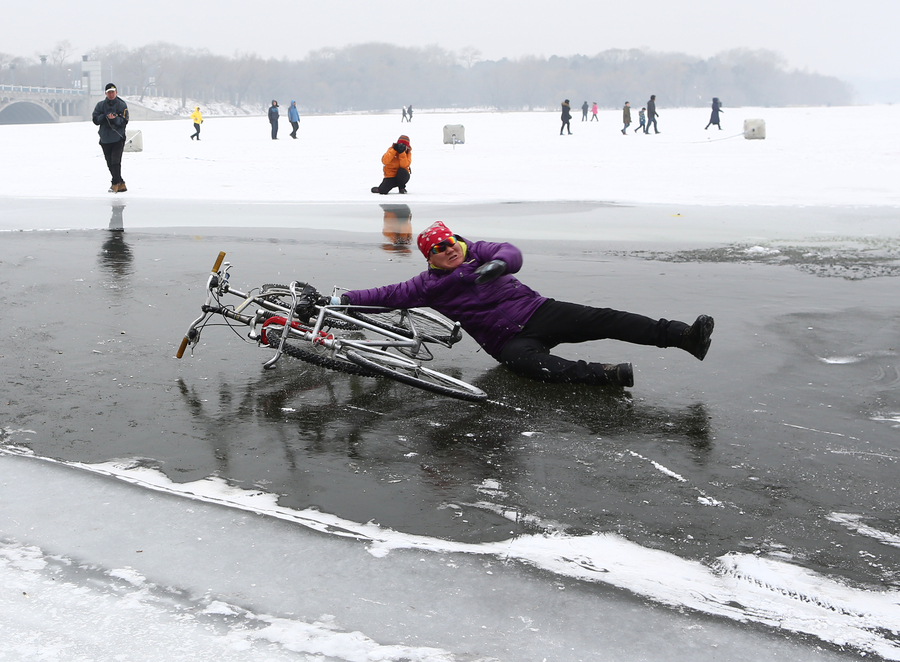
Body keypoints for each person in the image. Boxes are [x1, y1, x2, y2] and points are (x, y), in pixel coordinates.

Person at [337, 221, 715, 388]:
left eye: (451, 241)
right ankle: (608, 375)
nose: (449, 248)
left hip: (538, 311)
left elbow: (509, 251)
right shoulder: (426, 286)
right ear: (429, 258)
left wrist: (499, 265)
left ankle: (685, 337)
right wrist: (342, 301)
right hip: (505, 341)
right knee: (536, 367)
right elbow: (384, 296)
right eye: (439, 248)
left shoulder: (479, 253)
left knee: (607, 320)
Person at [92, 83, 129, 193]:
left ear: (116, 92)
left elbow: (124, 121)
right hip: (105, 139)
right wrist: (104, 116)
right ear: (106, 93)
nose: (111, 94)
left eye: (113, 92)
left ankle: (115, 183)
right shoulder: (100, 105)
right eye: (109, 92)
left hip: (118, 138)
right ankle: (121, 183)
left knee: (115, 161)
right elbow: (95, 120)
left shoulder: (122, 105)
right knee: (109, 163)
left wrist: (114, 119)